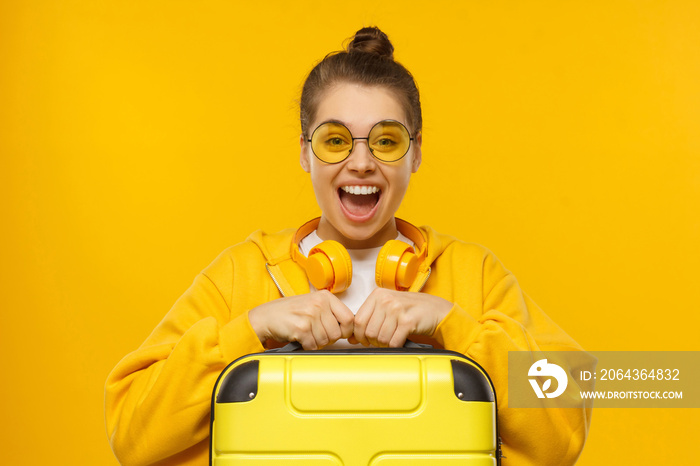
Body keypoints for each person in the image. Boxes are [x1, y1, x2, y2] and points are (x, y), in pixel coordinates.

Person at [105, 27, 590, 465]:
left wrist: (451, 324)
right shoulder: (243, 272)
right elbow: (132, 432)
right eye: (336, 140)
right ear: (304, 151)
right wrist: (249, 330)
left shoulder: (474, 274)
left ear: (416, 152)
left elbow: (565, 427)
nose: (361, 163)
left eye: (386, 140)